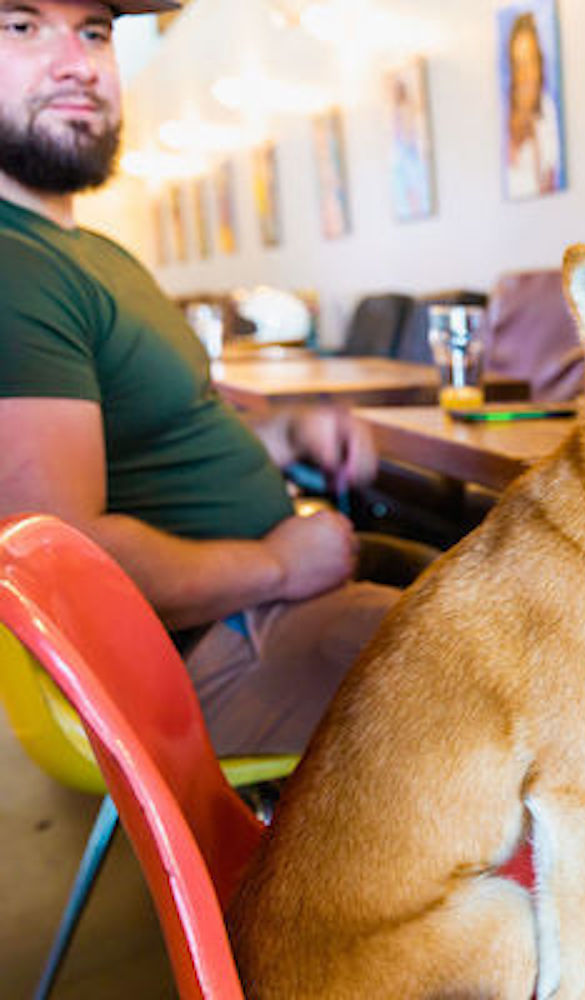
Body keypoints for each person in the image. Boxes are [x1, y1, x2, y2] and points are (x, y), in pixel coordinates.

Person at [0, 0, 415, 757]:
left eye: (94, 31)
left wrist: (289, 432)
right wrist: (276, 567)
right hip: (214, 652)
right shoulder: (13, 267)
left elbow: (167, 433)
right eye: (20, 26)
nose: (79, 63)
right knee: (561, 660)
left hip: (265, 602)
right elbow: (56, 556)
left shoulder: (92, 254)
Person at [504, 11, 562, 200]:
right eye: (518, 64)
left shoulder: (546, 110)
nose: (525, 75)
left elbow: (545, 183)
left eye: (529, 62)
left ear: (539, 62)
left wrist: (534, 130)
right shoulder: (507, 112)